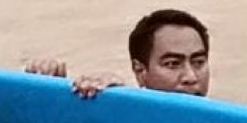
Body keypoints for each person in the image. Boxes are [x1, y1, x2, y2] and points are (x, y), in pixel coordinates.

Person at [26, 8, 212, 100]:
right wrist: (52, 96)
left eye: (199, 62)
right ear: (140, 71)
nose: (191, 77)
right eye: (172, 64)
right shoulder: (120, 122)